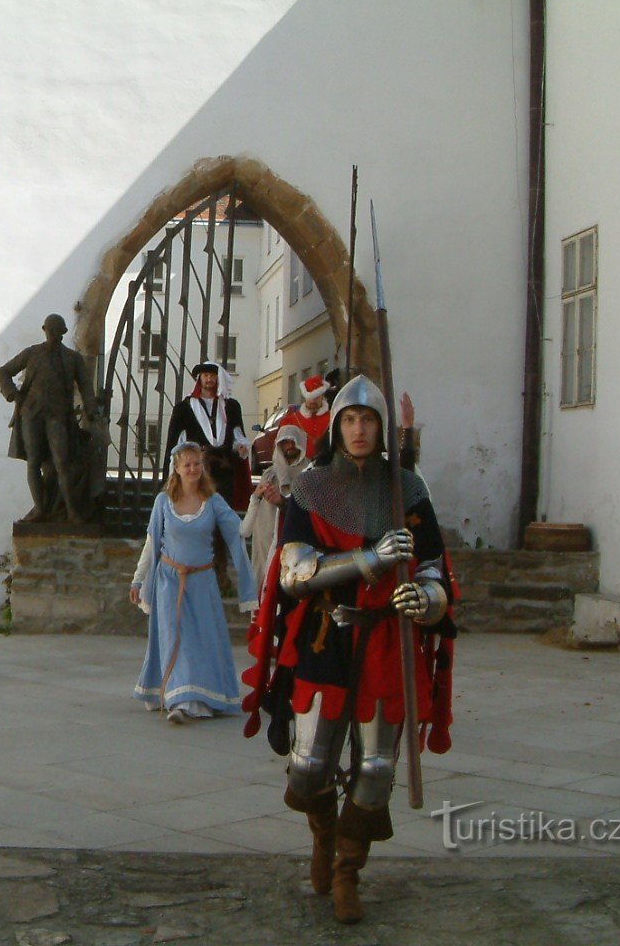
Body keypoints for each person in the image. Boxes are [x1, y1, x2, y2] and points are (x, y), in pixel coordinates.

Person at [240, 375, 456, 925]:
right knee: (310, 768)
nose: (359, 429)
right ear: (335, 427)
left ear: (382, 428)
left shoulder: (406, 488)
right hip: (325, 634)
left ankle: (346, 873)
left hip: (386, 639)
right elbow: (294, 571)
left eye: (369, 420)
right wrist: (373, 558)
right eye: (350, 420)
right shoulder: (311, 488)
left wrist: (424, 596)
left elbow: (434, 568)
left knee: (376, 769)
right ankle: (324, 836)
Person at [130, 441, 258, 724]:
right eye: (186, 464)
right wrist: (138, 580)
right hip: (168, 581)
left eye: (197, 463)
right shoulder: (163, 502)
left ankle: (199, 696)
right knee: (178, 639)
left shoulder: (213, 502)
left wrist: (256, 501)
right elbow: (152, 543)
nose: (192, 468)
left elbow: (240, 532)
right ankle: (180, 701)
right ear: (176, 469)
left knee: (202, 641)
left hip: (201, 582)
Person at [0, 313, 96, 523]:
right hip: (31, 415)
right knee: (33, 461)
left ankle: (72, 512)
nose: (54, 335)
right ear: (44, 330)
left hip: (58, 417)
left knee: (62, 462)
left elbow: (86, 386)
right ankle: (40, 509)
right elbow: (3, 372)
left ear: (64, 333)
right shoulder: (32, 353)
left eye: (58, 331)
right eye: (51, 330)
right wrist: (12, 393)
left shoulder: (72, 358)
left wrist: (92, 409)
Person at [164, 361, 251, 510]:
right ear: (200, 378)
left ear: (219, 378)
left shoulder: (231, 406)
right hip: (197, 470)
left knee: (222, 513)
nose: (209, 379)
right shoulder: (184, 408)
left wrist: (241, 447)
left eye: (212, 375)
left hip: (224, 471)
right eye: (205, 375)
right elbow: (176, 444)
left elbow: (237, 434)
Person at [240, 424, 308, 594]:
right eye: (285, 443)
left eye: (293, 442)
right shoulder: (270, 473)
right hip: (267, 531)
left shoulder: (309, 472)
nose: (290, 447)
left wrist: (284, 502)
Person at [278, 374, 332, 460]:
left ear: (322, 396)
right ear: (305, 397)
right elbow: (281, 452)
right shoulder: (289, 421)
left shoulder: (333, 418)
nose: (313, 401)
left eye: (317, 397)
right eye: (309, 397)